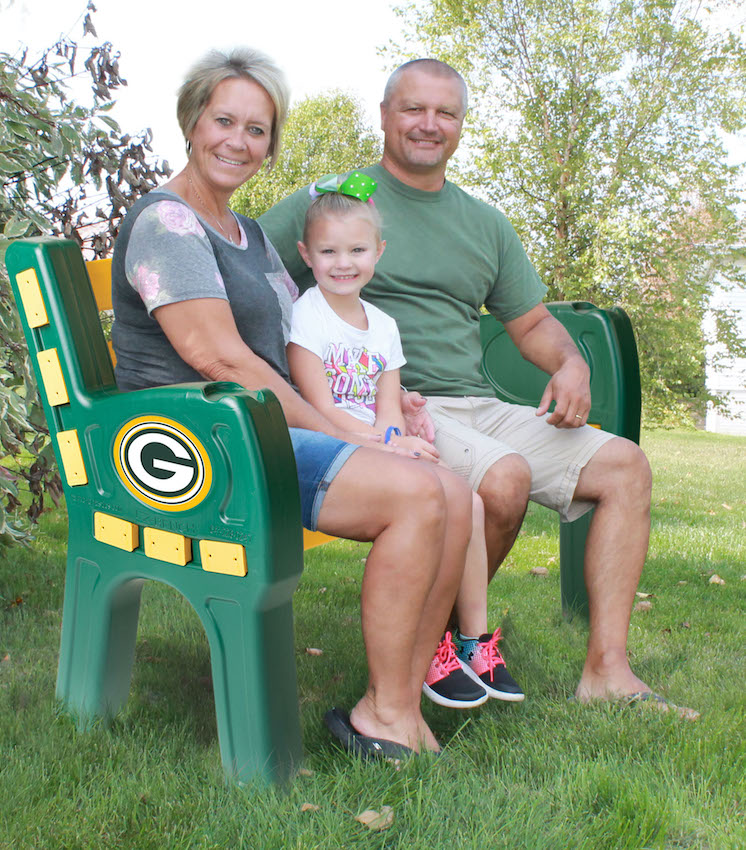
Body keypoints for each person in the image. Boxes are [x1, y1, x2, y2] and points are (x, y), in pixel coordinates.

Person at [260, 58, 698, 719]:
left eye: (446, 113)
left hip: (479, 401)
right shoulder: (338, 202)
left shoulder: (484, 222)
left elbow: (531, 323)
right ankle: (439, 648)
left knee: (625, 467)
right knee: (503, 479)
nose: (428, 124)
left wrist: (570, 365)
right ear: (384, 116)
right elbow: (247, 269)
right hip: (396, 405)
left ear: (462, 126)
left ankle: (607, 670)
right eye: (413, 109)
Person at [110, 46, 479, 759]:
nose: (238, 141)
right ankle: (390, 713)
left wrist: (390, 407)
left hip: (257, 430)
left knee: (454, 493)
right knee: (415, 495)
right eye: (225, 120)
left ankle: (393, 703)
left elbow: (301, 345)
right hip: (197, 444)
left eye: (257, 129)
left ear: (271, 144)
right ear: (192, 121)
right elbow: (219, 357)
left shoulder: (246, 234)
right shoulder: (168, 223)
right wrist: (357, 438)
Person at [287, 179, 523, 707]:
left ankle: (472, 641)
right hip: (335, 443)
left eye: (357, 250)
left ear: (379, 253)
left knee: (471, 499)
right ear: (306, 254)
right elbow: (318, 405)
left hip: (378, 444)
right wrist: (385, 446)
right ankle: (428, 648)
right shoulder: (308, 314)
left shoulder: (385, 326)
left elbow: (388, 404)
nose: (342, 263)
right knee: (436, 497)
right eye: (328, 251)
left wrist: (398, 438)